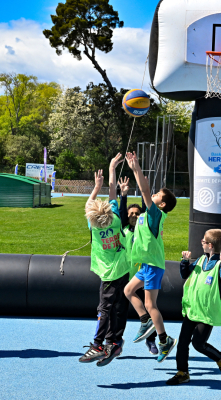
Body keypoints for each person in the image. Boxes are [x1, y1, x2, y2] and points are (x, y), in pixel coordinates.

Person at [124, 151, 178, 363]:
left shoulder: (156, 214)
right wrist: (138, 173)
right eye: (154, 194)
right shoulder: (147, 215)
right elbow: (145, 188)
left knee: (151, 304)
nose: (152, 195)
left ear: (161, 204)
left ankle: (164, 340)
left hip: (154, 266)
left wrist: (136, 167)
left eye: (157, 195)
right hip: (147, 265)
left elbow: (145, 190)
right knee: (128, 290)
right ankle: (145, 321)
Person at [79, 154, 131, 367]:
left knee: (104, 308)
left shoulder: (94, 226)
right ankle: (114, 343)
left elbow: (89, 204)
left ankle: (99, 345)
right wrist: (112, 168)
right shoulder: (116, 218)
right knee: (118, 307)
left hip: (108, 273)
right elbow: (112, 191)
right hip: (124, 268)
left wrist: (95, 186)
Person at [166, 229, 221, 385]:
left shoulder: (219, 265)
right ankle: (182, 372)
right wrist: (184, 262)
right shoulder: (200, 260)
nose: (201, 243)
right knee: (183, 343)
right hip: (192, 309)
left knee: (198, 344)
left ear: (210, 245)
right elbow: (185, 275)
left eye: (203, 241)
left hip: (207, 312)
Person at [119, 179, 158, 355]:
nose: (134, 215)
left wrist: (144, 191)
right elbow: (121, 211)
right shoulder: (124, 229)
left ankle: (151, 341)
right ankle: (116, 342)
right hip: (126, 278)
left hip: (143, 275)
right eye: (131, 213)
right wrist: (124, 195)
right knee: (119, 313)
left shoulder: (145, 229)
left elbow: (147, 209)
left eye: (137, 213)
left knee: (150, 308)